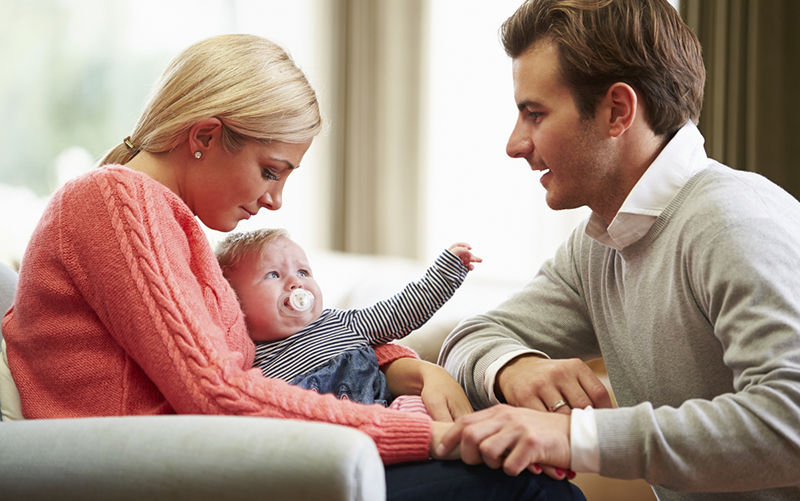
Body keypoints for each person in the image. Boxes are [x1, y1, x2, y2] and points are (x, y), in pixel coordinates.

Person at [2, 33, 585, 500]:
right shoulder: (113, 204)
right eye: (271, 170)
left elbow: (282, 348)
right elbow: (218, 394)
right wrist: (430, 437)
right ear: (204, 135)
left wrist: (406, 365)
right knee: (526, 489)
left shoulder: (165, 226)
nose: (275, 201)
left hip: (216, 460)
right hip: (169, 473)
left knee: (524, 479)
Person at [436, 0, 800, 500]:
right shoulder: (600, 245)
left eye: (534, 114)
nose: (515, 144)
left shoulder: (734, 221)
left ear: (618, 111)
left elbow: (791, 421)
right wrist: (512, 366)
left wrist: (572, 436)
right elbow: (471, 338)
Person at [215, 228, 480, 417]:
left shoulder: (341, 323)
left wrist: (446, 272)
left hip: (387, 422)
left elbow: (402, 310)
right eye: (272, 274)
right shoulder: (245, 361)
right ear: (232, 298)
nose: (296, 283)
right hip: (320, 450)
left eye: (303, 272)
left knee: (422, 409)